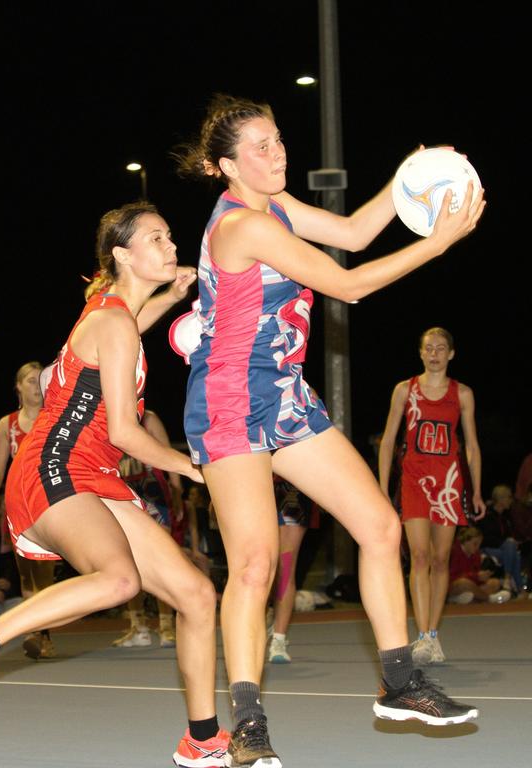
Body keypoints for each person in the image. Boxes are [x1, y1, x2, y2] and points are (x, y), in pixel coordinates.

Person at [172, 94, 483, 765]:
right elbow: (352, 286)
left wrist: (412, 176)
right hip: (229, 400)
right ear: (227, 166)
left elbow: (353, 234)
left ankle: (400, 681)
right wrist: (437, 242)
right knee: (253, 564)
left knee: (379, 526)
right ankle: (248, 723)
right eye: (261, 146)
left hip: (282, 394)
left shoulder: (276, 207)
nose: (278, 153)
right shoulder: (240, 229)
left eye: (279, 139)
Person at [0, 203, 230, 768]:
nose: (172, 246)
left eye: (171, 237)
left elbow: (128, 331)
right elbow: (125, 429)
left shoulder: (109, 313)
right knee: (119, 580)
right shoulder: (112, 320)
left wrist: (170, 297)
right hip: (55, 466)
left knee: (195, 595)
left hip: (93, 475)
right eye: (157, 238)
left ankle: (203, 739)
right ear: (122, 254)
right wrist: (193, 466)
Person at [378, 327, 485, 665]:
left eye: (441, 348)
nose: (435, 353)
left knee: (440, 560)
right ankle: (421, 635)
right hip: (414, 479)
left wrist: (477, 490)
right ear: (421, 353)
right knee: (419, 556)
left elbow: (471, 446)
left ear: (451, 354)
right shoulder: (404, 390)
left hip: (449, 483)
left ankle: (433, 635)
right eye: (429, 348)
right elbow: (388, 440)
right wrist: (382, 488)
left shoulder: (462, 394)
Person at [0, 360, 58, 659]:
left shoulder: (54, 418)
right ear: (18, 387)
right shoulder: (7, 425)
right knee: (26, 575)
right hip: (17, 505)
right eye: (29, 380)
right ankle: (35, 633)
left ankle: (44, 635)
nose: (36, 386)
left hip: (49, 502)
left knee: (45, 572)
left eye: (40, 380)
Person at [113, 409, 186, 649]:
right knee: (128, 561)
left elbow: (169, 455)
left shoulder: (149, 418)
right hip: (125, 495)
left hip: (154, 495)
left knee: (160, 560)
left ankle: (166, 625)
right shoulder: (107, 416)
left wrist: (177, 491)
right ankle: (138, 626)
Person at [266, 478, 320, 664]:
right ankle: (262, 618)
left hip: (292, 486)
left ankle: (278, 639)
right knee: (260, 565)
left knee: (285, 565)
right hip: (256, 481)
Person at [448, 527, 510, 604]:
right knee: (463, 583)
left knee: (495, 583)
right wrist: (476, 576)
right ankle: (488, 598)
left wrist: (482, 576)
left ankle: (467, 599)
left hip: (471, 585)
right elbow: (452, 578)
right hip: (455, 586)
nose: (477, 547)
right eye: (475, 544)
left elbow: (475, 575)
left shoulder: (476, 554)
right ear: (466, 541)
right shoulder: (453, 552)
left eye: (479, 544)